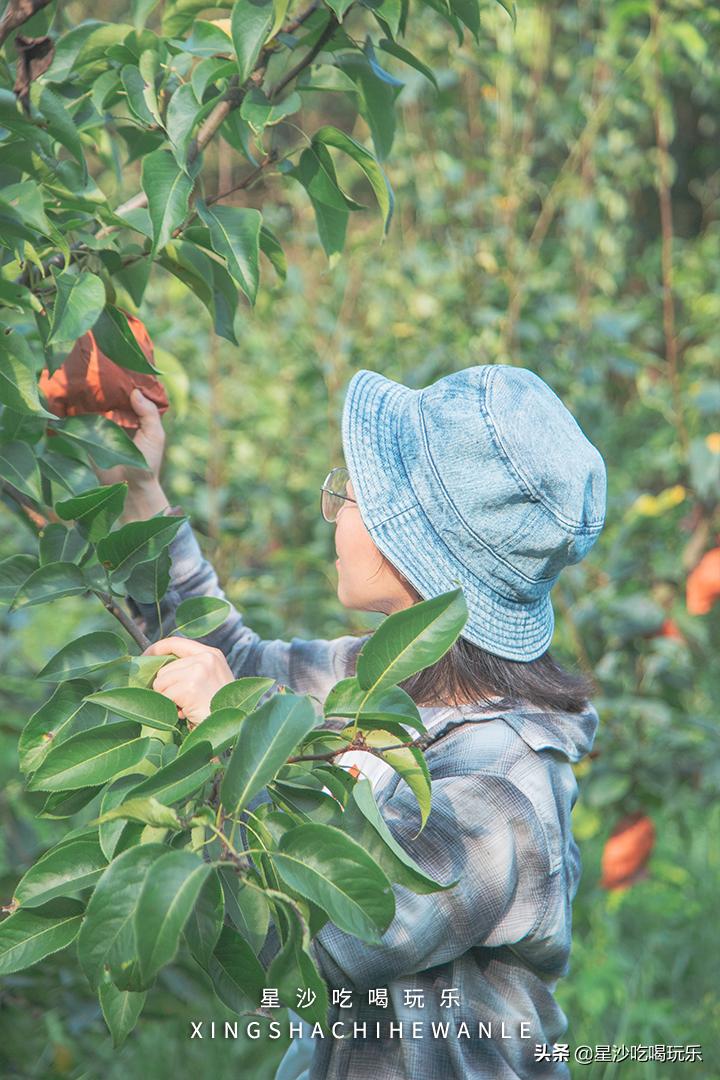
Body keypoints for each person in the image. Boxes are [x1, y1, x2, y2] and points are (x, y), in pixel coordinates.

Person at [105, 364, 607, 1079]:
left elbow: (337, 930)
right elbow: (237, 665)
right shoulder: (380, 677)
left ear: (413, 550)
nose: (335, 503)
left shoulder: (505, 784)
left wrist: (235, 742)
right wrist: (142, 497)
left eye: (352, 492)